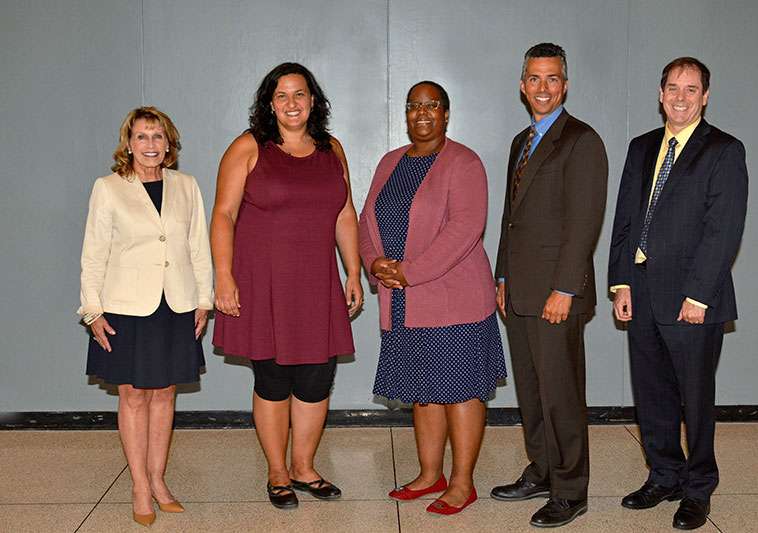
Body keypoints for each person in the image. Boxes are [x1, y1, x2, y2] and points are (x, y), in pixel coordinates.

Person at [210, 63, 362, 510]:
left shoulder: (332, 148)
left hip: (317, 282)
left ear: (313, 100)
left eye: (300, 94)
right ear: (269, 103)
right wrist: (224, 275)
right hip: (264, 283)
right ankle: (277, 471)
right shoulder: (248, 147)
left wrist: (353, 271)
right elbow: (223, 214)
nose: (291, 103)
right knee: (273, 378)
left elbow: (345, 213)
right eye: (282, 96)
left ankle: (304, 466)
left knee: (317, 377)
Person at [608, 57, 748, 530]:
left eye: (692, 90)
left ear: (705, 96)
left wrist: (700, 295)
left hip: (693, 297)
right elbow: (625, 219)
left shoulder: (724, 150)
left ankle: (698, 487)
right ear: (660, 93)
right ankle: (664, 474)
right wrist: (621, 281)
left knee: (696, 398)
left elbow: (723, 229)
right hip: (642, 291)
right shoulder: (642, 147)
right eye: (673, 88)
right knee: (652, 393)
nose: (681, 97)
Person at [359, 80, 506, 516]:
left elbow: (463, 232)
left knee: (459, 390)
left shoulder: (464, 162)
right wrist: (375, 264)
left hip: (454, 301)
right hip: (404, 302)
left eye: (431, 106)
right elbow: (368, 220)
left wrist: (407, 271)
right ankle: (430, 474)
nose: (421, 113)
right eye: (413, 106)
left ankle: (462, 482)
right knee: (424, 391)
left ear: (446, 113)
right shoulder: (390, 162)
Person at [78, 107, 213, 526]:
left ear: (169, 144)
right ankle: (139, 485)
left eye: (158, 137)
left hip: (176, 304)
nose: (150, 144)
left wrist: (203, 300)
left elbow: (198, 248)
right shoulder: (108, 187)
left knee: (167, 392)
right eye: (141, 137)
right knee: (133, 395)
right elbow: (94, 252)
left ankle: (158, 479)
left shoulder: (187, 186)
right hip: (125, 308)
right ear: (128, 143)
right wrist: (91, 310)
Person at [492, 43, 608, 528]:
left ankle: (570, 489)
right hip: (518, 291)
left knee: (561, 393)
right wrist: (500, 275)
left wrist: (564, 289)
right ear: (523, 85)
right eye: (534, 79)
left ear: (565, 84)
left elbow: (584, 223)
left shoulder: (581, 140)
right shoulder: (522, 140)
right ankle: (541, 470)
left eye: (552, 79)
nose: (543, 88)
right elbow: (510, 219)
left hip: (555, 295)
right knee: (533, 391)